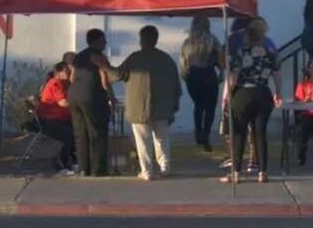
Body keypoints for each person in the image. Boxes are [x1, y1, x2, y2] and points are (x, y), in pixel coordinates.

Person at [109, 25, 182, 180]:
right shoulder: (166, 59)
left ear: (141, 39)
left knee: (143, 141)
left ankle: (147, 171)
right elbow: (176, 84)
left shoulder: (135, 58)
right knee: (162, 138)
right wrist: (174, 106)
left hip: (139, 107)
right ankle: (165, 167)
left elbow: (116, 75)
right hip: (162, 107)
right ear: (156, 39)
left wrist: (103, 66)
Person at [221, 18, 282, 184]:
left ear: (248, 34)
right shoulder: (270, 53)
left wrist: (227, 95)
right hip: (263, 92)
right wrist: (278, 92)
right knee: (260, 133)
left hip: (243, 93)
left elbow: (232, 77)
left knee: (239, 133)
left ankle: (236, 172)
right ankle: (262, 171)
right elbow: (277, 74)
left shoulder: (241, 52)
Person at [69, 28, 115, 177]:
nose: (106, 43)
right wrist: (111, 97)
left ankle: (83, 168)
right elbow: (105, 78)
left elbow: (72, 78)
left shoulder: (79, 56)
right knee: (97, 132)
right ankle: (98, 169)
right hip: (91, 96)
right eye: (103, 40)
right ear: (97, 41)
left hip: (74, 96)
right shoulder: (98, 56)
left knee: (80, 132)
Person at [180, 15, 222, 152]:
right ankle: (206, 134)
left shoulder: (187, 42)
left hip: (193, 75)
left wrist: (185, 76)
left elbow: (183, 63)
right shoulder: (212, 40)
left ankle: (198, 133)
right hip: (208, 74)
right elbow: (221, 58)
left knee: (199, 105)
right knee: (210, 107)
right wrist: (221, 73)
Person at [36, 61, 76, 174]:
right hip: (50, 121)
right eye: (67, 71)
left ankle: (73, 159)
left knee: (79, 131)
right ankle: (61, 161)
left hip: (60, 119)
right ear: (59, 72)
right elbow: (62, 102)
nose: (69, 73)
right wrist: (79, 103)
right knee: (70, 135)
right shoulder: (55, 83)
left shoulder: (64, 83)